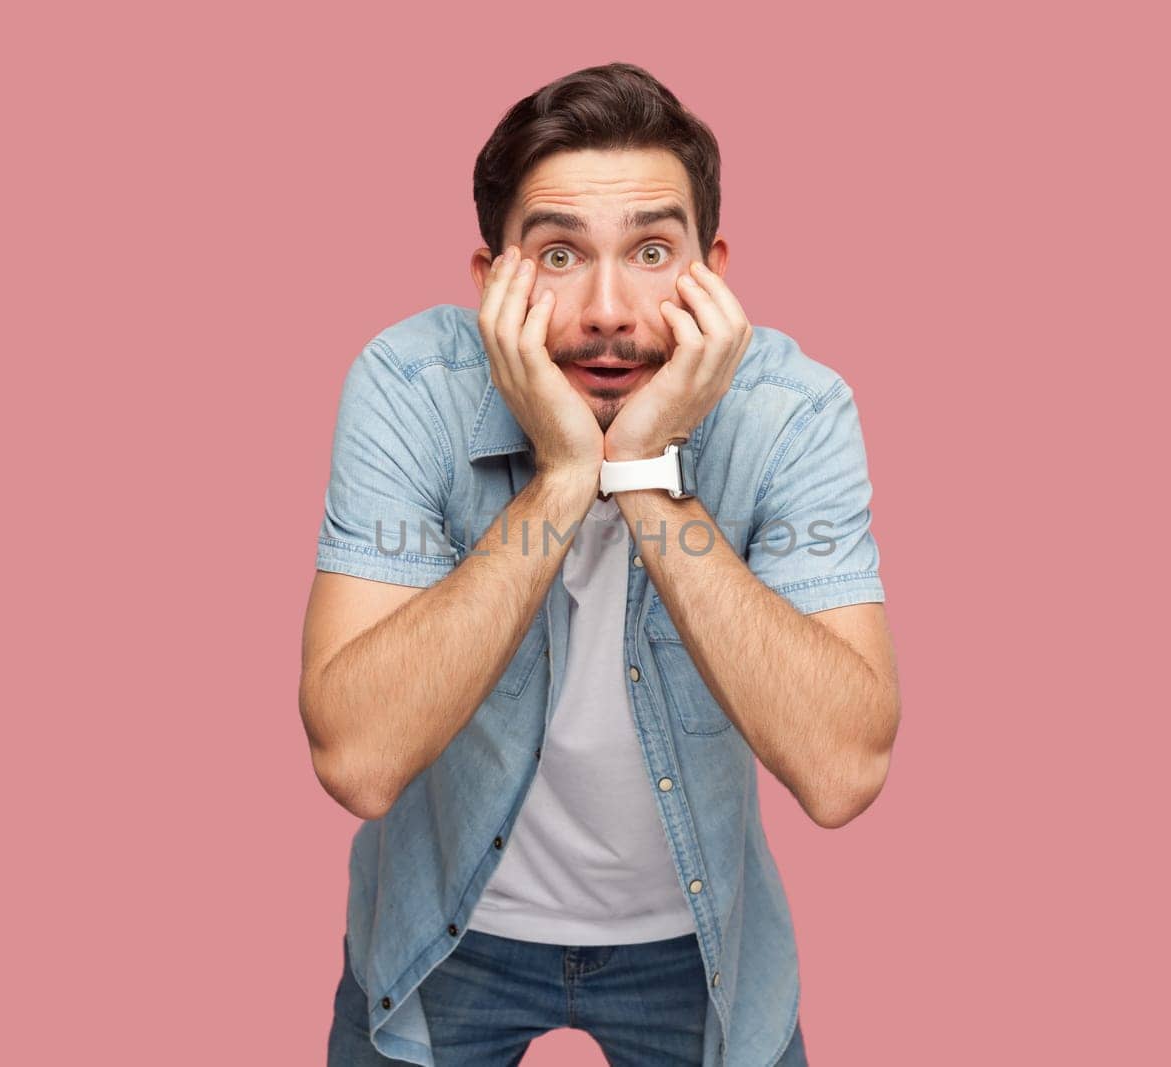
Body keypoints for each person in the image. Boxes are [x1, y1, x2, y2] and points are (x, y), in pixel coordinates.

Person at [299, 61, 901, 1066]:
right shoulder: (412, 386)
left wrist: (649, 480)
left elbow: (842, 772)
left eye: (652, 251)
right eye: (560, 254)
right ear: (492, 280)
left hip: (698, 945)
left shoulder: (791, 409)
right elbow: (357, 759)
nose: (611, 310)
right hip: (445, 929)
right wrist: (562, 478)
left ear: (712, 272)